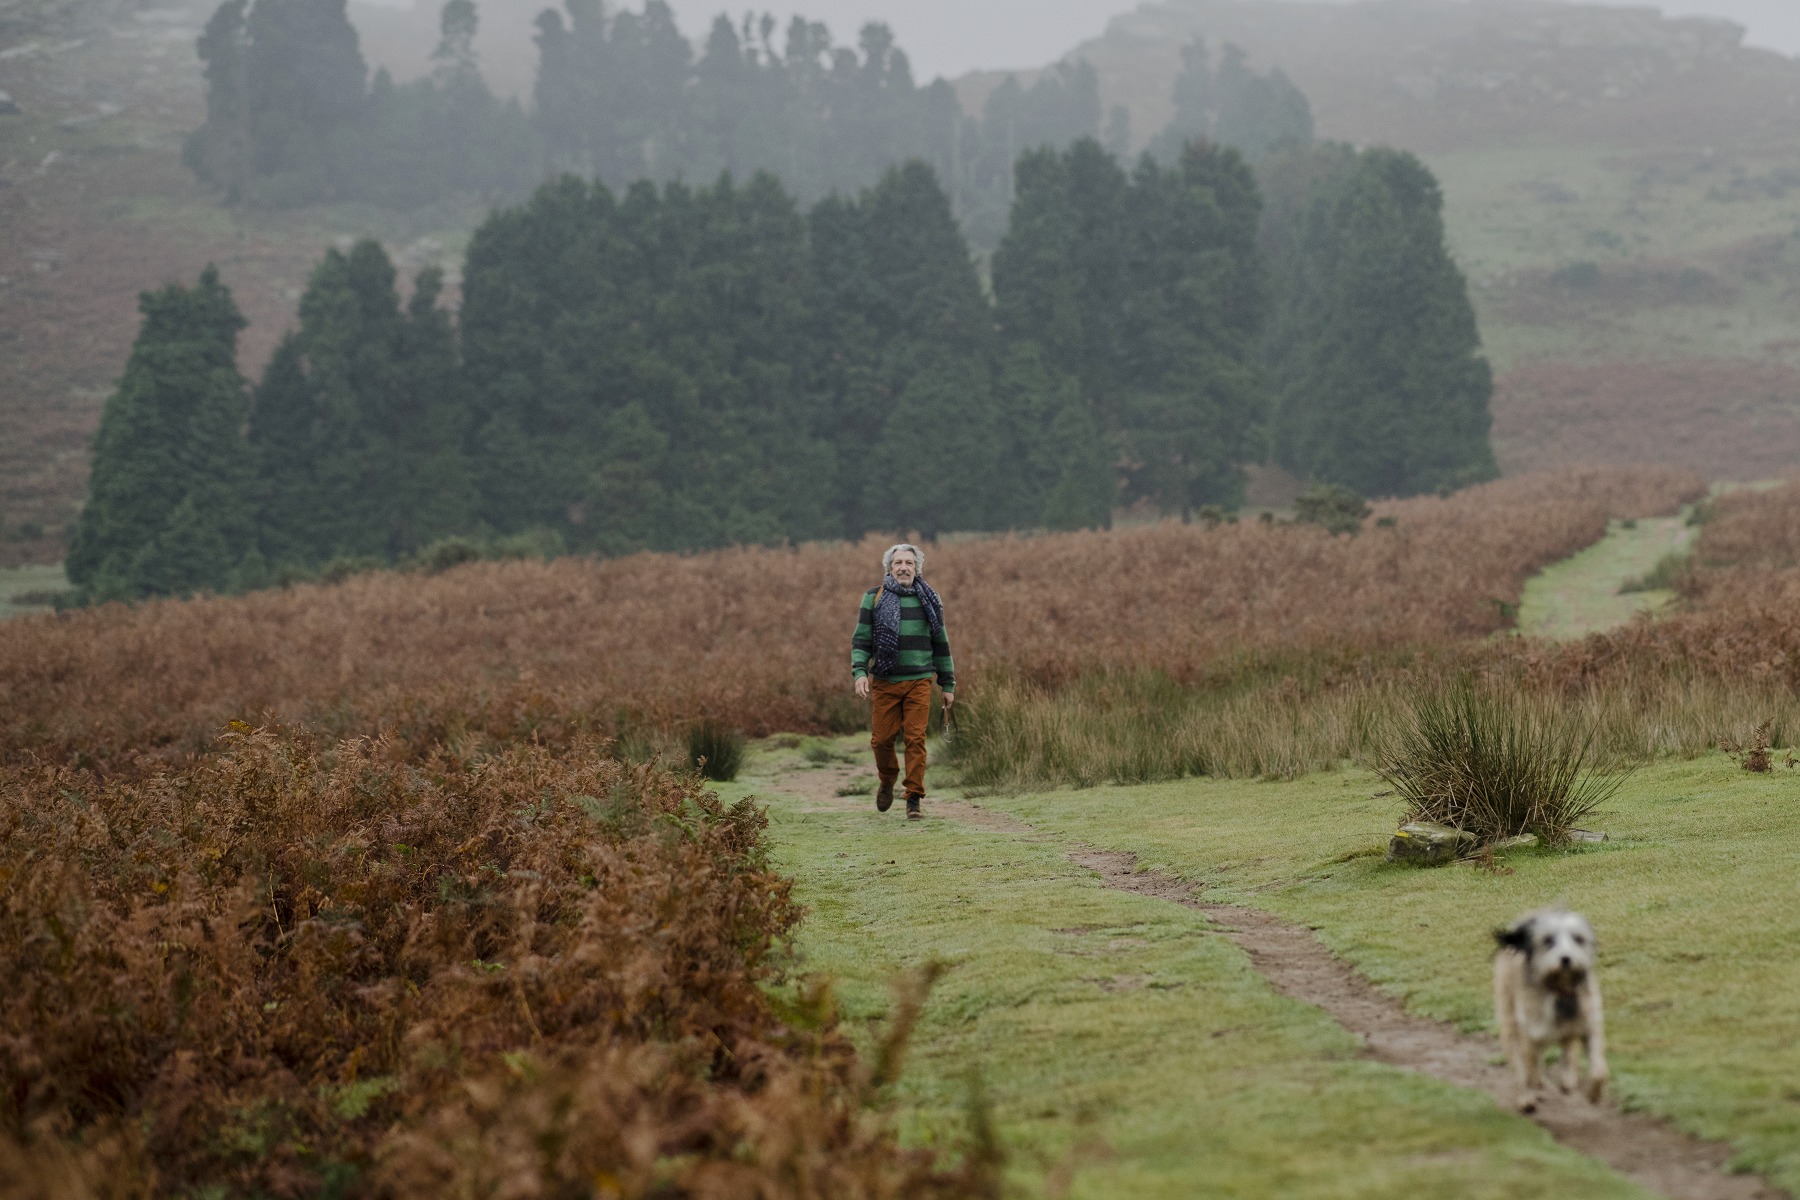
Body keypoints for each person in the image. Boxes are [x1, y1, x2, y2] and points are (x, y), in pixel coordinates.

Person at [850, 543, 954, 820]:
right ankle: (887, 779)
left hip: (919, 679)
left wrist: (948, 684)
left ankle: (913, 799)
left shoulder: (930, 600)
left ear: (916, 568)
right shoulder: (873, 598)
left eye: (909, 563)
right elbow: (861, 640)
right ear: (889, 568)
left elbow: (940, 643)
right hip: (884, 680)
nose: (904, 567)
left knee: (915, 739)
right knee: (881, 740)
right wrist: (860, 672)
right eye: (898, 563)